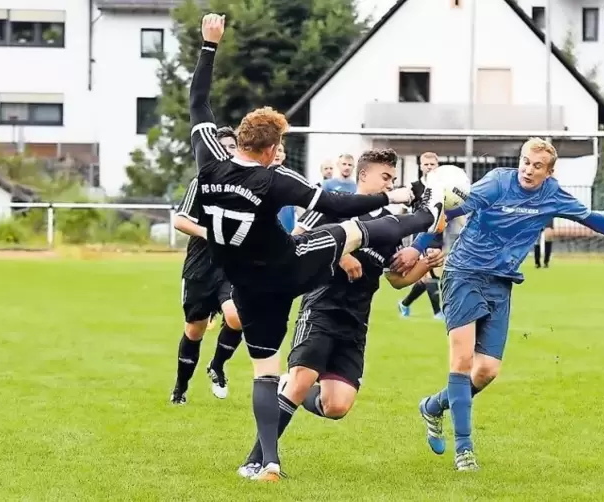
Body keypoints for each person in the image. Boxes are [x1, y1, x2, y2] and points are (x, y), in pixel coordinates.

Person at [189, 13, 445, 481]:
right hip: (287, 272)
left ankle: (267, 462)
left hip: (245, 285)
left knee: (266, 374)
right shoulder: (274, 178)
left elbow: (199, 104)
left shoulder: (209, 158)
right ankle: (427, 213)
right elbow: (333, 201)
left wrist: (209, 47)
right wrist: (400, 197)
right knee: (354, 231)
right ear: (270, 149)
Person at [390, 137, 604, 472]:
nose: (528, 170)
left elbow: (595, 220)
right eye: (525, 162)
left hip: (502, 283)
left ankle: (433, 406)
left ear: (549, 171)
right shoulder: (498, 182)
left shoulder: (553, 195)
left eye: (537, 166)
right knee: (462, 360)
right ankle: (465, 449)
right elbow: (450, 209)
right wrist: (421, 244)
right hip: (464, 274)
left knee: (486, 371)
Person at [238, 148, 446, 478]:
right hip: (321, 308)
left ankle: (288, 387)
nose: (391, 183)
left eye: (393, 179)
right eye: (385, 177)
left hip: (355, 322)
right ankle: (257, 460)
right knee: (303, 379)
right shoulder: (333, 207)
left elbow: (395, 279)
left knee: (337, 406)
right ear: (364, 177)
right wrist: (337, 253)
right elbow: (294, 240)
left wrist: (425, 264)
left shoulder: (388, 225)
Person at [171, 126, 242, 404]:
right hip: (201, 267)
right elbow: (180, 220)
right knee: (194, 330)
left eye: (231, 146)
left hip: (232, 267)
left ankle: (218, 366)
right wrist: (209, 233)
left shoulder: (246, 184)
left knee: (237, 317)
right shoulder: (200, 182)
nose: (227, 151)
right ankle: (180, 387)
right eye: (222, 146)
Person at [399, 152, 444, 320]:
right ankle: (438, 312)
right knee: (431, 275)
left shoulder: (442, 187)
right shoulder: (414, 187)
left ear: (437, 165)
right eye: (426, 164)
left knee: (427, 277)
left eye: (432, 164)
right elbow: (404, 210)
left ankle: (404, 304)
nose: (429, 167)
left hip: (438, 234)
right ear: (421, 166)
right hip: (420, 235)